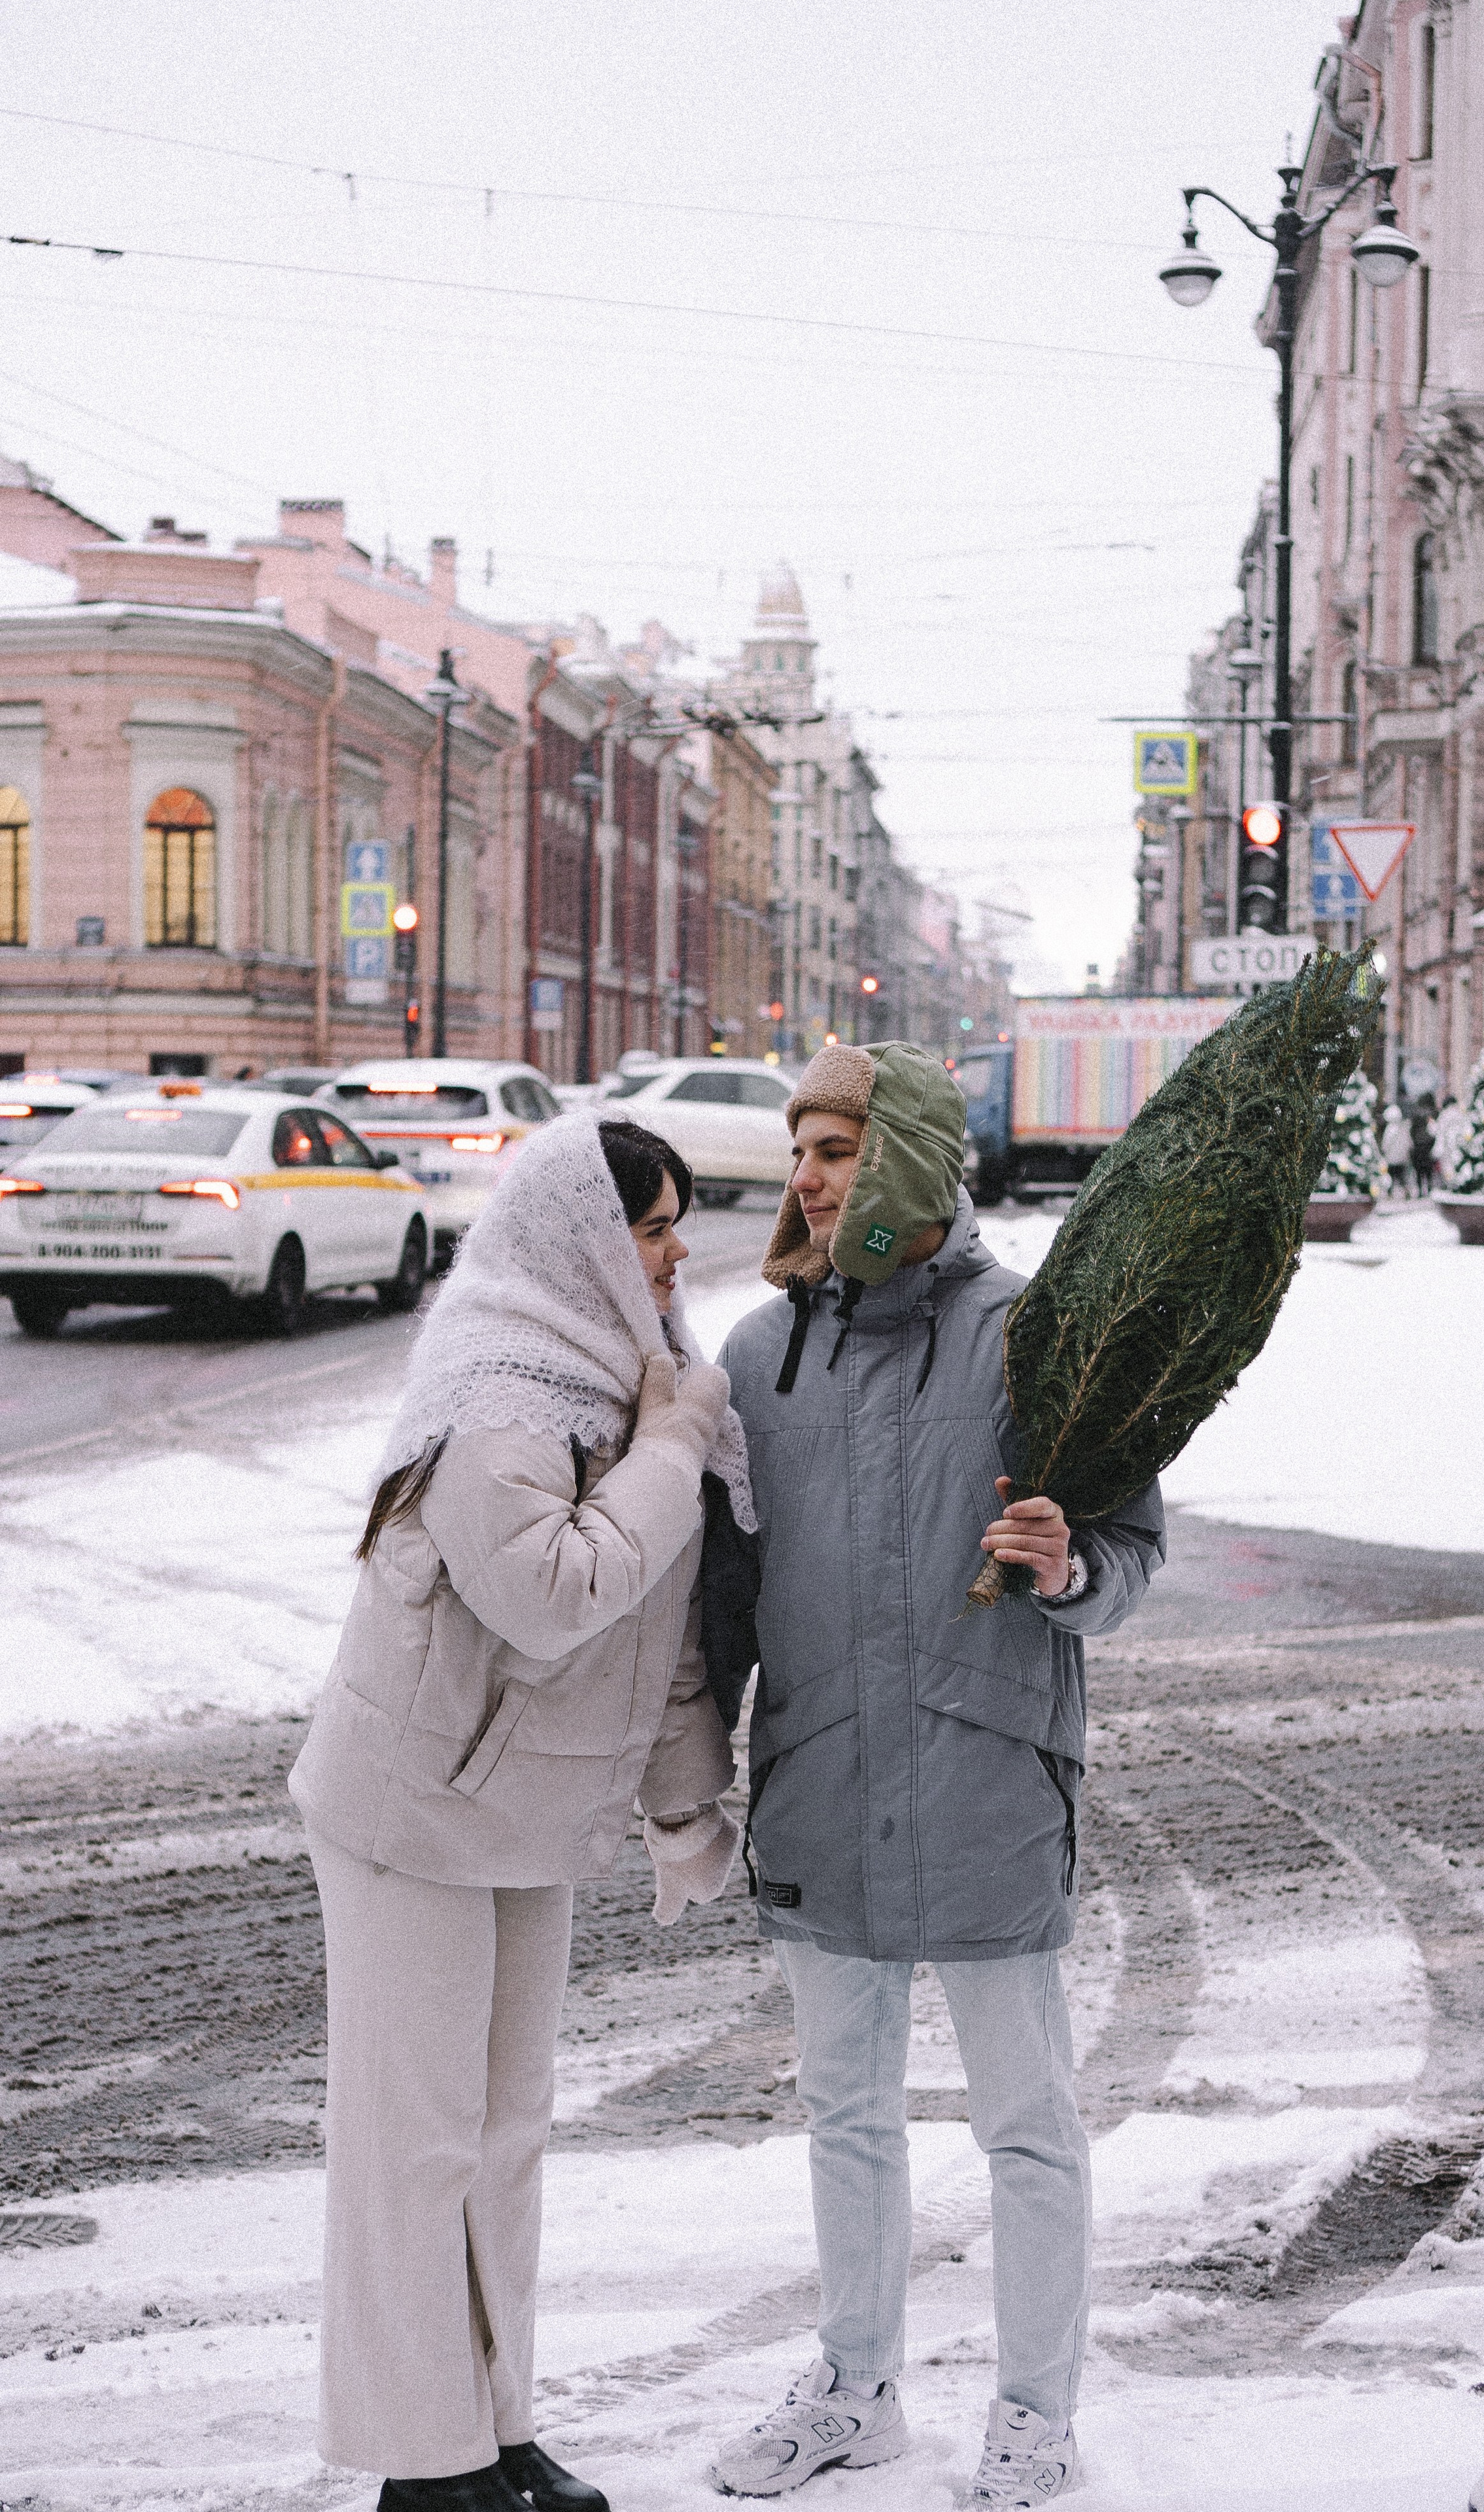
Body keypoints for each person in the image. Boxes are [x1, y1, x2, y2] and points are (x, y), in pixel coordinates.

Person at [708, 1042, 1164, 2510]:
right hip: (818, 1776)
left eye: (832, 1150)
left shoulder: (1038, 1334)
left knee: (1023, 2122)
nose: (804, 1180)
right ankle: (855, 2388)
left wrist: (1071, 1562)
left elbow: (1130, 1551)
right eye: (797, 1153)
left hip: (985, 1773)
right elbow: (721, 1599)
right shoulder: (759, 1355)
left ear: (901, 1152)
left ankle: (1034, 2414)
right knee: (842, 2112)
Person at [289, 1116, 753, 2512]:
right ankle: (417, 2464)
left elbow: (660, 1632)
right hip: (408, 1813)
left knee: (506, 2133)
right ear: (575, 1235)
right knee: (413, 2141)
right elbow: (554, 1596)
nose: (677, 1252)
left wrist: (686, 1811)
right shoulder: (501, 1386)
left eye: (675, 1223)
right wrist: (671, 1450)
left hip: (521, 1814)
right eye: (653, 1224)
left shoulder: (631, 1380)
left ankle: (492, 2430)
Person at [1432, 1091, 1470, 1188]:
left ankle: (1450, 1186)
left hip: (1447, 1149)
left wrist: (1438, 1149)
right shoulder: (1461, 1114)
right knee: (1460, 1168)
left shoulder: (1443, 1116)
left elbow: (1439, 1134)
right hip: (1460, 1148)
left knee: (1448, 1169)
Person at [1381, 1098, 1413, 1197]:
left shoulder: (1390, 1129)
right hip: (1402, 1157)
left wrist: (1384, 1151)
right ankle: (1406, 1191)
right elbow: (1408, 1141)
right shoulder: (1402, 1127)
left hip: (1391, 1158)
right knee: (1402, 1176)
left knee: (1391, 1176)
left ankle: (1390, 1193)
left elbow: (1386, 1143)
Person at [1409, 1100, 1436, 1197]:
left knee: (1419, 1172)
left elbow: (1411, 1132)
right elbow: (1433, 1133)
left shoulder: (1415, 1117)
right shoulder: (1428, 1116)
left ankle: (1420, 1191)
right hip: (1427, 1147)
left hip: (1418, 1148)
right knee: (1428, 1171)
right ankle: (1429, 1189)